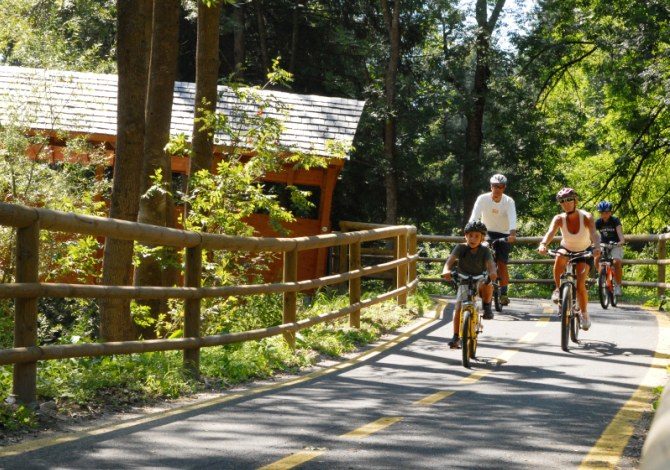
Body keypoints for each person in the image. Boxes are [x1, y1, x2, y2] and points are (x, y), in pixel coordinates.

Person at [537, 188, 601, 331]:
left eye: (568, 200)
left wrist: (596, 247)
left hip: (584, 251)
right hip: (566, 248)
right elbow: (550, 232)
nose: (566, 204)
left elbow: (594, 234)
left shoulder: (586, 216)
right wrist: (543, 244)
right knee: (559, 255)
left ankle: (584, 314)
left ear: (575, 201)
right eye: (562, 201)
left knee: (580, 285)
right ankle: (559, 289)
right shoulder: (559, 218)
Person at [441, 221, 498, 348]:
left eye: (477, 236)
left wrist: (493, 272)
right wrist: (446, 270)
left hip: (479, 278)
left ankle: (487, 307)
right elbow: (450, 261)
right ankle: (456, 336)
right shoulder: (460, 247)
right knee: (458, 308)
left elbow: (490, 264)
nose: (473, 239)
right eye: (470, 235)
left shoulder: (485, 250)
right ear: (465, 236)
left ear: (482, 238)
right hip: (464, 279)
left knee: (488, 284)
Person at [469, 174, 517, 306]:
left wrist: (512, 234)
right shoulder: (482, 199)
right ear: (491, 186)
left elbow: (513, 218)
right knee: (482, 253)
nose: (497, 189)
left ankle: (504, 292)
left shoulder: (508, 201)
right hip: (486, 232)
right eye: (495, 186)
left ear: (504, 188)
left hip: (504, 233)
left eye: (500, 187)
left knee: (502, 263)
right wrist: (470, 231)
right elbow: (474, 216)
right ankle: (477, 283)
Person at [594, 201, 625, 296]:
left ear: (610, 212)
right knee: (596, 258)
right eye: (602, 213)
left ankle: (618, 285)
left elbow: (620, 234)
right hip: (603, 244)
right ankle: (601, 277)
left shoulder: (615, 220)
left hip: (615, 244)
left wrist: (620, 242)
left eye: (606, 212)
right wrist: (593, 243)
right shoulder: (598, 222)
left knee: (616, 262)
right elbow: (593, 235)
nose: (604, 215)